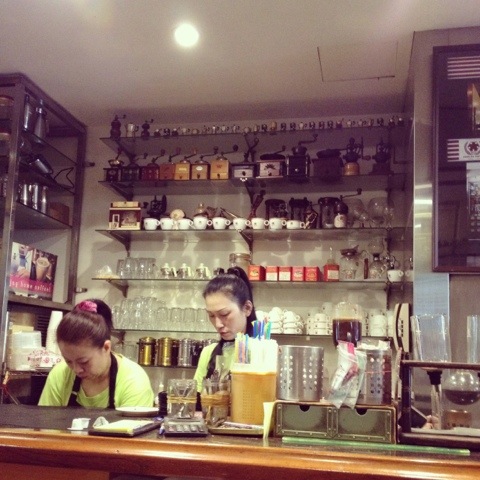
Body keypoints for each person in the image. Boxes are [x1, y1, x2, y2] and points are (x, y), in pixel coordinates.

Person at [39, 299, 154, 408]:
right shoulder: (60, 374)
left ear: (106, 348)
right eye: (68, 361)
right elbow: (46, 421)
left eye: (83, 362)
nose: (76, 369)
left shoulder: (133, 381)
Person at [193, 267, 256, 393]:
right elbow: (197, 397)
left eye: (224, 314)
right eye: (211, 315)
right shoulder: (208, 352)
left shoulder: (264, 352)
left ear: (247, 308)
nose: (218, 324)